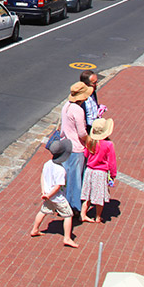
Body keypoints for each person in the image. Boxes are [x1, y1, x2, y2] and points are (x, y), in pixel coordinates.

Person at [29, 138, 78, 248]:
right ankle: (67, 238)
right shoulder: (60, 170)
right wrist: (50, 194)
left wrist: (44, 192)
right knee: (68, 215)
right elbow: (58, 186)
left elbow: (42, 177)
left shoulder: (47, 164)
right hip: (57, 198)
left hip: (48, 195)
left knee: (43, 211)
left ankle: (35, 229)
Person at [60, 81, 91, 213]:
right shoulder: (78, 110)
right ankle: (75, 207)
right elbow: (82, 132)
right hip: (75, 148)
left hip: (65, 145)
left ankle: (63, 203)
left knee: (65, 178)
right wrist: (90, 141)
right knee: (75, 179)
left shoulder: (66, 106)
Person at [80, 118, 117, 224]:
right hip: (101, 172)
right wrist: (113, 174)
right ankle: (98, 216)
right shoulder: (109, 144)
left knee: (88, 194)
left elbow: (86, 154)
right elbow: (112, 162)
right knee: (99, 195)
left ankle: (83, 214)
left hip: (89, 170)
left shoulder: (90, 141)